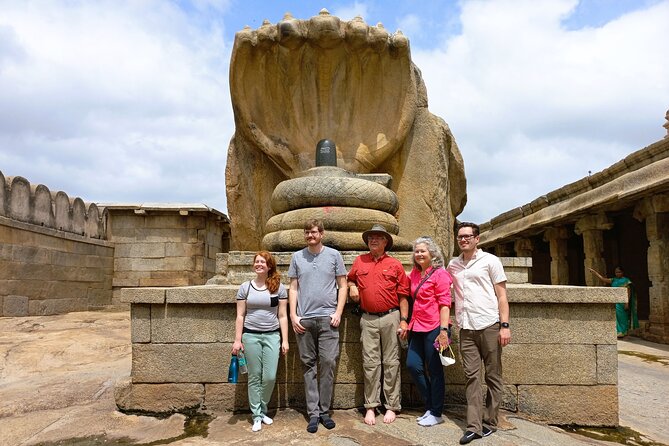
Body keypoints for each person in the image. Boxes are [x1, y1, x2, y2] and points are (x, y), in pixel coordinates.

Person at [447, 222, 510, 445]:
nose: (463, 240)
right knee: (471, 377)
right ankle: (473, 426)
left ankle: (490, 422)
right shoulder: (453, 264)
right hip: (466, 327)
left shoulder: (490, 261)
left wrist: (504, 326)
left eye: (467, 237)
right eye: (460, 237)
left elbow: (502, 296)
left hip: (489, 325)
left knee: (493, 376)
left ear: (477, 239)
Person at [288, 219, 348, 433]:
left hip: (328, 318)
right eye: (307, 232)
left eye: (313, 232)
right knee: (308, 366)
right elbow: (293, 288)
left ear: (321, 233)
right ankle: (313, 414)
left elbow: (343, 285)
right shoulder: (297, 257)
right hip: (304, 319)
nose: (310, 236)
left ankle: (325, 411)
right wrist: (293, 315)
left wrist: (338, 312)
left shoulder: (334, 255)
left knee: (328, 362)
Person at [347, 224, 410, 425]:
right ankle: (371, 406)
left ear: (386, 242)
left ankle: (392, 406)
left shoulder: (395, 264)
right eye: (371, 237)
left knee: (392, 362)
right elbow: (348, 280)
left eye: (378, 237)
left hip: (391, 317)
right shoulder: (360, 261)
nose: (373, 240)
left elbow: (403, 295)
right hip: (367, 318)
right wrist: (353, 287)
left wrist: (403, 320)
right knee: (370, 363)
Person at [231, 251, 290, 432]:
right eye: (256, 262)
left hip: (272, 335)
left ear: (269, 266)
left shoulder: (278, 287)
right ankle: (257, 414)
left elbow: (282, 315)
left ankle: (262, 408)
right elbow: (240, 315)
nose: (259, 265)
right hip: (250, 336)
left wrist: (285, 340)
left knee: (270, 376)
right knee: (254, 376)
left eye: (262, 262)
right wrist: (237, 340)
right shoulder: (245, 287)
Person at [406, 236, 453, 427]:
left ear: (432, 253)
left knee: (435, 370)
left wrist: (443, 331)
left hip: (434, 326)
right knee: (413, 365)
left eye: (422, 251)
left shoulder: (440, 274)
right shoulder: (415, 274)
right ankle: (430, 405)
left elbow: (444, 303)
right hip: (416, 326)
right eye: (416, 251)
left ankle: (436, 411)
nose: (419, 254)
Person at [589, 266, 639, 337]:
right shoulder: (613, 280)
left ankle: (623, 331)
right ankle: (618, 331)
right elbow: (603, 279)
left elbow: (628, 292)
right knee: (616, 317)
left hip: (622, 302)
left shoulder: (626, 281)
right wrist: (595, 273)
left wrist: (626, 303)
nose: (617, 273)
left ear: (622, 272)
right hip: (615, 301)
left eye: (619, 272)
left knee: (623, 317)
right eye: (616, 272)